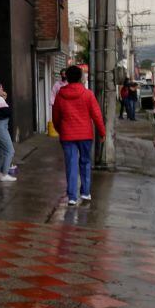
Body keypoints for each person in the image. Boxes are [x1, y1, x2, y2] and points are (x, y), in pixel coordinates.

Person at [52, 66, 105, 206]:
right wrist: (102, 132)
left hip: (67, 135)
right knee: (85, 162)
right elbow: (97, 115)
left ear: (67, 77)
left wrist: (60, 130)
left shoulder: (60, 95)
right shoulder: (88, 94)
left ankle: (72, 197)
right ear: (81, 77)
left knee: (71, 164)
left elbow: (56, 116)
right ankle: (85, 192)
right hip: (85, 135)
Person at [48, 69, 68, 137]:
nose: (64, 75)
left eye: (65, 74)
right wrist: (52, 103)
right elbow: (53, 93)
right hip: (60, 105)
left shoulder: (69, 83)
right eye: (62, 74)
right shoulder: (57, 84)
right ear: (60, 75)